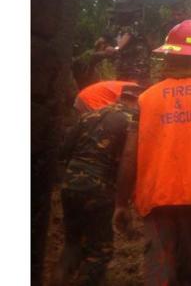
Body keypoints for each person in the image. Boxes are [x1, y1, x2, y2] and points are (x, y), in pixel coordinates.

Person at [113, 20, 191, 286]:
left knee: (160, 275)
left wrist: (120, 202)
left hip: (155, 198)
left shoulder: (146, 99)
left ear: (168, 55)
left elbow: (129, 155)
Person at [54, 85, 141, 285]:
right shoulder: (132, 122)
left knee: (71, 245)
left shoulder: (91, 115)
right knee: (99, 252)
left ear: (121, 97)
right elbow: (129, 160)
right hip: (99, 188)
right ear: (137, 101)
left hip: (70, 185)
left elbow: (64, 150)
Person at [107, 0, 151, 86]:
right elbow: (109, 37)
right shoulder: (118, 26)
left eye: (119, 14)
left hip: (137, 65)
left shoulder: (136, 24)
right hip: (123, 64)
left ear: (126, 14)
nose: (117, 16)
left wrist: (116, 48)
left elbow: (128, 36)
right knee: (121, 87)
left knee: (136, 88)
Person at [73, 80, 139, 114]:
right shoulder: (135, 89)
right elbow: (120, 100)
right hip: (92, 99)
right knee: (100, 124)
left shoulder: (134, 87)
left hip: (86, 95)